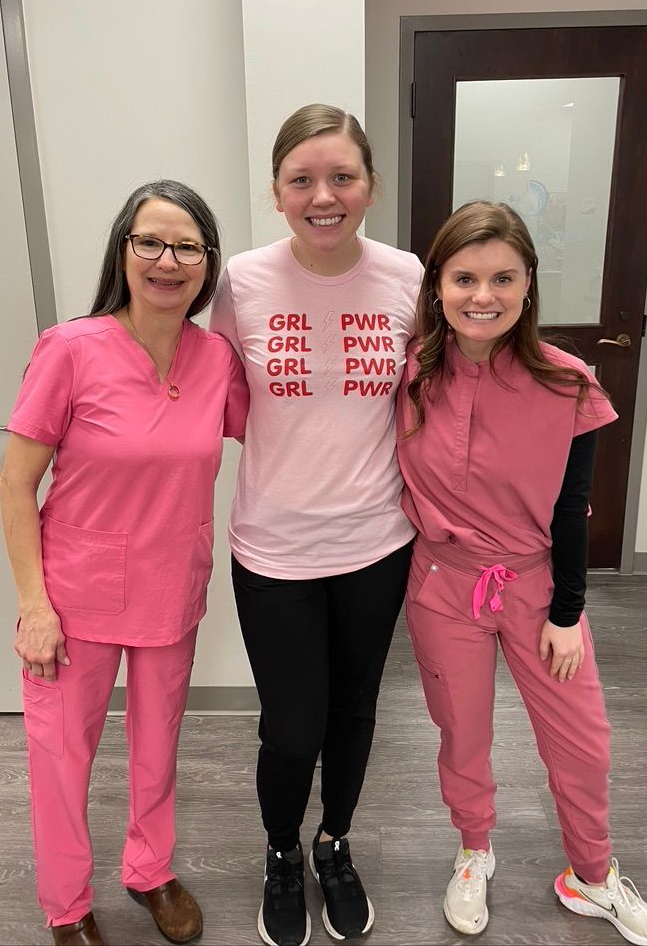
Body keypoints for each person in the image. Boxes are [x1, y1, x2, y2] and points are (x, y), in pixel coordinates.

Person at [395, 200, 647, 945]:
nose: (482, 296)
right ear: (438, 286)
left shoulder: (568, 381)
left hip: (537, 585)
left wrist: (565, 613)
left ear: (527, 285)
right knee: (462, 733)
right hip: (443, 585)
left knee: (584, 739)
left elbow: (573, 508)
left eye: (501, 278)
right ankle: (474, 849)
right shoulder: (412, 377)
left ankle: (591, 874)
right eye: (463, 278)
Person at [0, 180, 249, 946]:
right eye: (151, 242)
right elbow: (15, 483)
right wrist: (35, 607)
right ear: (124, 249)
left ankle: (149, 870)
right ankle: (66, 906)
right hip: (75, 599)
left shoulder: (217, 361)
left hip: (173, 588)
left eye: (188, 247)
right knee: (61, 756)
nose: (167, 261)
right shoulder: (71, 349)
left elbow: (283, 434)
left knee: (158, 744)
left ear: (208, 265)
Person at [210, 103, 422, 946]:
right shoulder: (242, 283)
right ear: (276, 191)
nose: (323, 195)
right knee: (291, 724)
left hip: (377, 543)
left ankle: (335, 842)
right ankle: (280, 852)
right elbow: (197, 384)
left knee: (354, 713)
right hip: (272, 549)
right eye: (302, 180)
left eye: (342, 177)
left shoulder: (408, 276)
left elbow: (455, 384)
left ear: (370, 185)